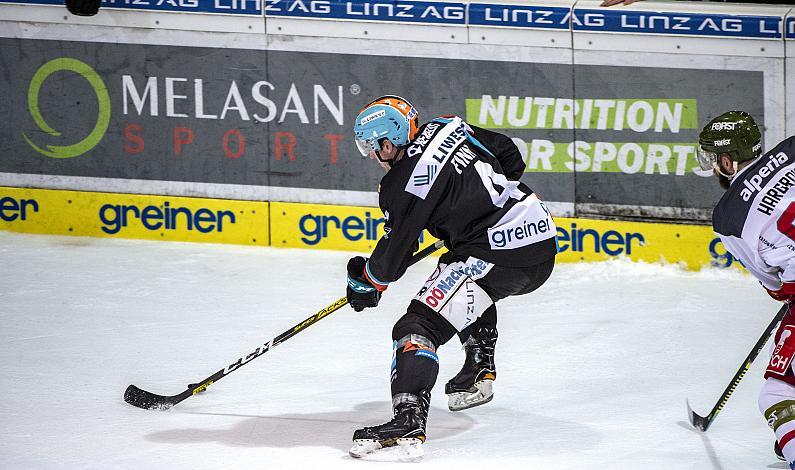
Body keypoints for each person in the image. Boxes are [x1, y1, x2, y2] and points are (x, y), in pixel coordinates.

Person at [345, 95, 558, 459]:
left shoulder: (402, 183)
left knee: (416, 327)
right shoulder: (448, 124)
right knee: (459, 275)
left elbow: (391, 262)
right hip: (539, 237)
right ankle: (479, 365)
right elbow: (510, 156)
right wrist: (473, 207)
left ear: (387, 141)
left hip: (498, 254)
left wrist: (364, 279)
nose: (371, 156)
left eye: (371, 146)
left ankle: (408, 419)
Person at [696, 111, 795, 464]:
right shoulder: (792, 148)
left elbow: (776, 286)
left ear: (726, 160)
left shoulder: (727, 218)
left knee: (777, 394)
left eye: (713, 159)